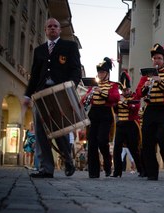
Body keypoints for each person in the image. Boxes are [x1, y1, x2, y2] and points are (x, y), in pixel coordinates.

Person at [23, 18, 81, 178]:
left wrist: (70, 87)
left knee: (60, 130)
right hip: (40, 95)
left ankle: (68, 159)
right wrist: (27, 95)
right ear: (45, 30)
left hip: (60, 93)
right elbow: (34, 75)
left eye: (55, 26)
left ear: (60, 30)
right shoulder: (39, 50)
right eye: (49, 26)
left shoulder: (69, 47)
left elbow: (76, 70)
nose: (52, 28)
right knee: (40, 132)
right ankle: (46, 169)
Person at [136, 43, 164, 180]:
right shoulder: (146, 75)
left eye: (159, 58)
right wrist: (145, 86)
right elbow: (138, 94)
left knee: (162, 138)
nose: (157, 60)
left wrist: (160, 81)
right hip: (150, 109)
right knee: (147, 142)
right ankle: (152, 172)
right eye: (155, 58)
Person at [81, 57, 120, 178]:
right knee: (92, 142)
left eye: (102, 72)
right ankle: (93, 172)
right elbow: (84, 100)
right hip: (94, 114)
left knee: (102, 140)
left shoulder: (113, 85)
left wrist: (101, 92)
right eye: (99, 72)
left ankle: (107, 162)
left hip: (106, 113)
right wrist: (85, 99)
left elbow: (115, 98)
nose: (100, 74)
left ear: (107, 73)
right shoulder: (93, 86)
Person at [112, 70, 142, 177]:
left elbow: (135, 108)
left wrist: (125, 102)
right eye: (123, 90)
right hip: (120, 124)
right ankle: (117, 171)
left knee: (133, 148)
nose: (125, 91)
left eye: (126, 89)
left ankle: (141, 169)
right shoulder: (118, 97)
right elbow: (115, 110)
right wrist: (116, 104)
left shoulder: (134, 97)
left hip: (131, 125)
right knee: (117, 149)